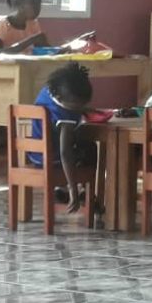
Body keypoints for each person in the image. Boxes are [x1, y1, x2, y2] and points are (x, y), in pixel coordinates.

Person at [32, 63, 97, 213]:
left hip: (36, 155)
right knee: (89, 148)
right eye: (76, 106)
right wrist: (73, 191)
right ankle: (83, 191)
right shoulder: (64, 117)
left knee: (80, 143)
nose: (79, 108)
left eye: (84, 103)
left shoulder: (48, 92)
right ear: (60, 98)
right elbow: (65, 153)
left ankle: (62, 190)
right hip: (53, 158)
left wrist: (82, 109)